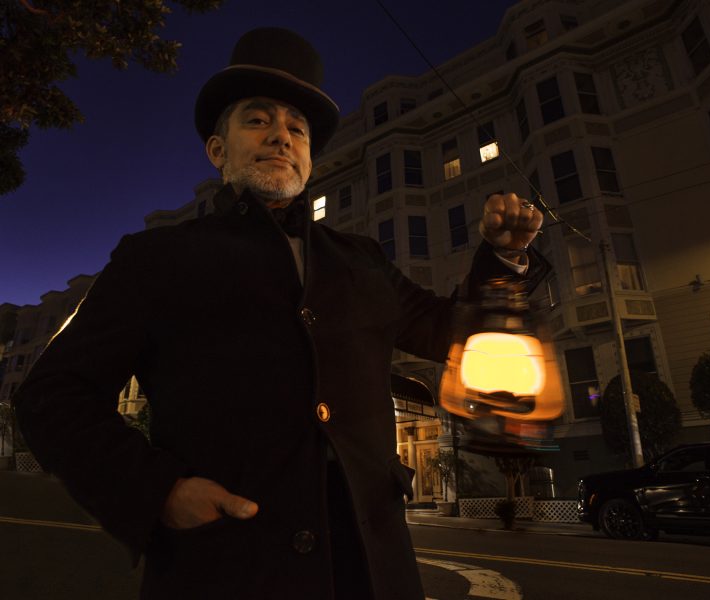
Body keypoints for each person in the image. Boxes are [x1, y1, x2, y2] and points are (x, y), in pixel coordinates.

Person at [13, 27, 547, 600]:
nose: (281, 137)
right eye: (257, 120)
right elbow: (52, 396)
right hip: (225, 570)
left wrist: (503, 259)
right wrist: (159, 491)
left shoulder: (362, 260)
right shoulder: (157, 258)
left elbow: (454, 333)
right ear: (218, 151)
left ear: (311, 158)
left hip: (371, 569)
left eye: (297, 128)